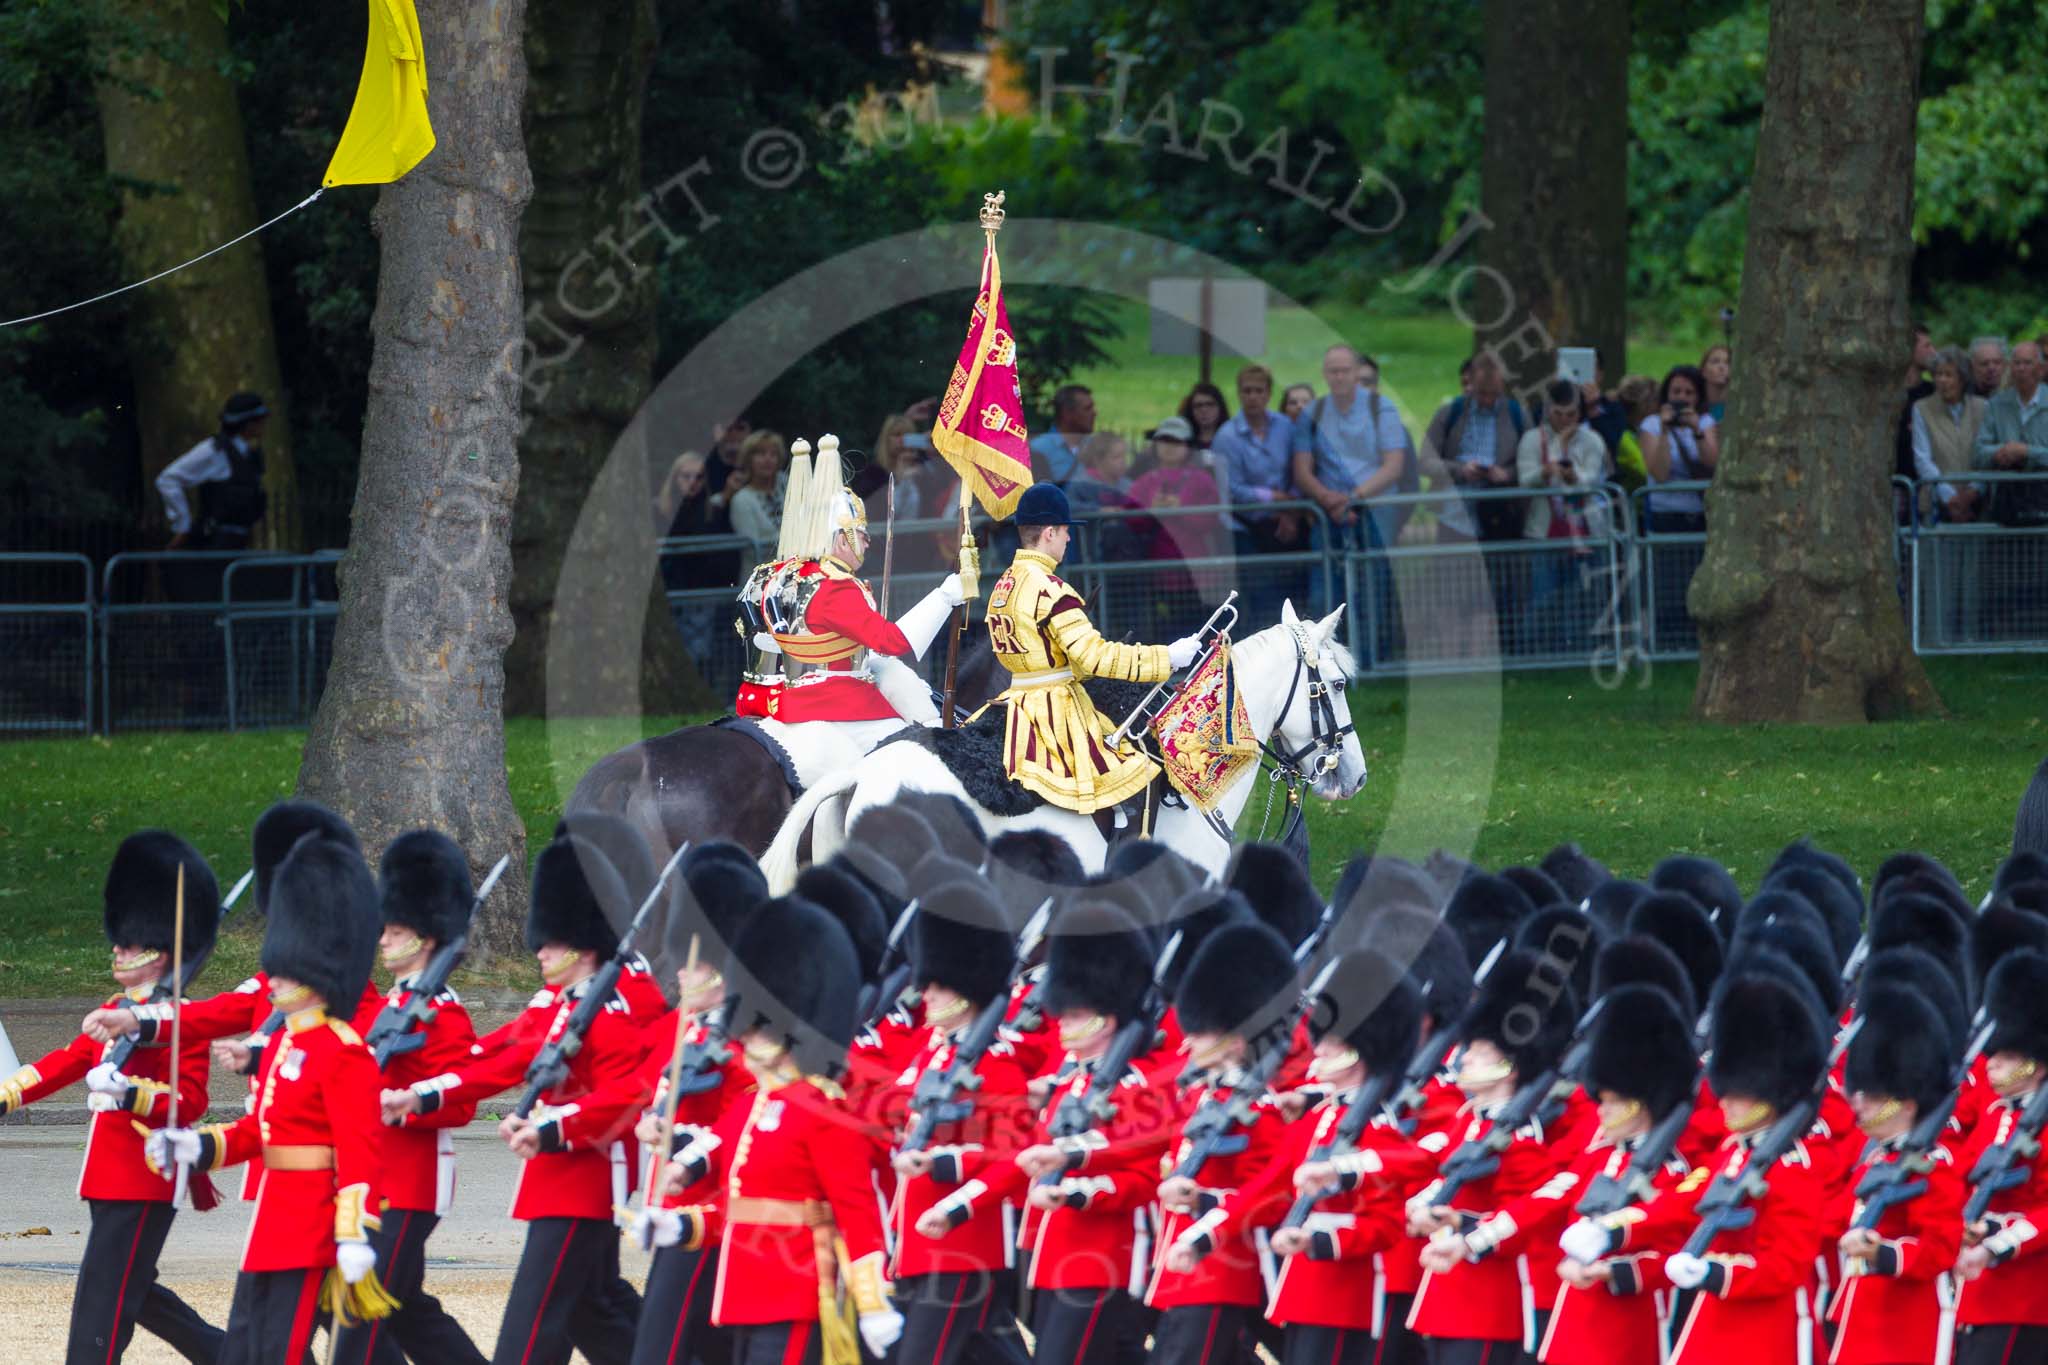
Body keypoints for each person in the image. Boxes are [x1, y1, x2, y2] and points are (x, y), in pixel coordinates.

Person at [386, 831, 651, 1365]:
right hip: (557, 1175)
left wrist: (552, 1126)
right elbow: (505, 1059)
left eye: (550, 942)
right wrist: (423, 1093)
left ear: (583, 944)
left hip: (587, 1178)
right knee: (591, 1310)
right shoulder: (562, 1006)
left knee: (532, 1327)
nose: (539, 951)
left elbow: (626, 1095)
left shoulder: (612, 1010)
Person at [148, 831, 386, 1365]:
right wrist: (198, 1147)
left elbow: (359, 1149)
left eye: (285, 970)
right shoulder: (285, 1045)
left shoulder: (344, 1050)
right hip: (272, 1219)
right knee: (243, 1348)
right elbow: (260, 1129)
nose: (272, 980)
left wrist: (354, 1230)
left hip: (313, 1223)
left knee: (279, 1349)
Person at [0, 831, 225, 1365]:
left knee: (103, 1295)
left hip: (147, 1172)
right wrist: (8, 1094)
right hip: (108, 1174)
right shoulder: (117, 1007)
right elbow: (69, 1059)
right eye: (119, 942)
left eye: (129, 944)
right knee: (133, 1289)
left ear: (159, 953)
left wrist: (131, 1095)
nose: (117, 951)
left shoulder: (180, 1019)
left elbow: (190, 1100)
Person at [336, 831, 489, 1365]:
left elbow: (462, 1101)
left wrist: (402, 1102)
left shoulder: (444, 1012)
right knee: (407, 1313)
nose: (381, 940)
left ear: (424, 938)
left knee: (359, 1315)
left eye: (394, 931)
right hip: (375, 1180)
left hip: (412, 1183)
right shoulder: (390, 1005)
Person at [732, 438, 963, 784]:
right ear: (842, 539)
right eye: (861, 534)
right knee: (915, 752)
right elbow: (893, 642)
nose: (867, 542)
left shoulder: (775, 572)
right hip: (829, 699)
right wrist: (945, 597)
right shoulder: (835, 584)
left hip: (768, 694)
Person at [1013, 903, 1176, 1364]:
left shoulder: (1135, 1086)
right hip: (1054, 1250)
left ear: (1105, 1019)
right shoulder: (1069, 1082)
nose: (1060, 1021)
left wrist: (1078, 1189)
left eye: (1073, 1014)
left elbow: (1142, 1175)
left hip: (1101, 1254)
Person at [983, 483, 1200, 819]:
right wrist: (1167, 657)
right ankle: (1121, 849)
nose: (1069, 539)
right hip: (1054, 711)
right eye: (1066, 531)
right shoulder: (1052, 590)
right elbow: (1095, 656)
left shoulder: (1004, 584)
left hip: (1014, 702)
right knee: (1138, 775)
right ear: (1050, 533)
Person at [1955, 949, 2048, 1365]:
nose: (1991, 1065)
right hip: (1977, 1293)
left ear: (2037, 1065)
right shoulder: (1995, 1115)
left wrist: (1997, 1240)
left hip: (2026, 1298)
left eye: (2007, 1057)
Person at [1516, 379, 1611, 654]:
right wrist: (1546, 472)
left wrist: (1572, 476)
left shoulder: (1592, 440)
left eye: (1571, 414)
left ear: (1580, 412)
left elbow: (1592, 479)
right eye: (1558, 414)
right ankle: (1538, 652)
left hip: (1587, 530)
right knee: (1543, 596)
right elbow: (1525, 480)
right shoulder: (1532, 439)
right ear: (1548, 410)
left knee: (1582, 596)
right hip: (1544, 531)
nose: (1564, 420)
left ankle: (1579, 652)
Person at [1129, 416, 1227, 637]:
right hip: (1156, 574)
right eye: (1165, 440)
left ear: (1188, 446)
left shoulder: (1202, 480)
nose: (1170, 447)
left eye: (1176, 441)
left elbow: (1211, 518)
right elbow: (1131, 521)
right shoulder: (1144, 482)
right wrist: (1151, 511)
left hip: (1196, 573)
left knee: (1198, 629)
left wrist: (1181, 510)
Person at [1212, 364, 1306, 591]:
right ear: (1239, 394)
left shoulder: (1285, 427)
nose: (1253, 397)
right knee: (1263, 592)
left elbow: (1299, 471)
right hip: (1247, 524)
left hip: (1289, 518)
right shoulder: (1227, 437)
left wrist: (1290, 511)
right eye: (1247, 391)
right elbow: (1231, 489)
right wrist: (1274, 497)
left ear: (1269, 394)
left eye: (1259, 391)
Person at [156, 391, 271, 554]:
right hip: (212, 544)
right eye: (260, 420)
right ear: (247, 423)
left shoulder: (250, 455)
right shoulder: (215, 450)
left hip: (239, 546)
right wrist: (183, 525)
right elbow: (168, 479)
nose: (264, 424)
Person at [656, 450, 740, 662]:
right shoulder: (659, 510)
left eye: (699, 477)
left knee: (697, 653)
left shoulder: (712, 511)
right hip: (668, 592)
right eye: (686, 476)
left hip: (700, 594)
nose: (693, 482)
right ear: (675, 478)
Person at [1911, 346, 1989, 524]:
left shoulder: (1982, 407)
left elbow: (1986, 454)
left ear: (1962, 379)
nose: (1942, 380)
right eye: (1938, 374)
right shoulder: (1922, 408)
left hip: (1978, 504)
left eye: (1948, 375)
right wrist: (1950, 497)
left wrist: (1972, 493)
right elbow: (1922, 458)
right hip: (1935, 505)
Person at [1639, 364, 1720, 535]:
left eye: (1689, 393)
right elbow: (1659, 474)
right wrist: (1664, 430)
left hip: (1701, 512)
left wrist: (1697, 430)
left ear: (1698, 397)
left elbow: (1712, 463)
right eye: (1676, 392)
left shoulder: (1706, 422)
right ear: (1666, 394)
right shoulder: (1651, 424)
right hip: (1665, 514)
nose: (1682, 397)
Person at [726, 429, 789, 548]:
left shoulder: (787, 487)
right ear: (748, 459)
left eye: (773, 454)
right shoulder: (742, 500)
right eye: (761, 454)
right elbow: (753, 547)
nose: (768, 459)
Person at [1030, 384, 1097, 486]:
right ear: (1067, 413)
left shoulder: (1096, 445)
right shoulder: (1039, 449)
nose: (1095, 413)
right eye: (1087, 408)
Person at [1179, 381, 1230, 450]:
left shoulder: (1231, 439)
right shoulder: (1183, 441)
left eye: (1210, 404)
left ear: (1220, 408)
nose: (1204, 410)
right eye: (1198, 405)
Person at [1700, 343, 1732, 424]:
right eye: (1715, 362)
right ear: (1703, 370)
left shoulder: (1737, 407)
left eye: (1727, 363)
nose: (1722, 367)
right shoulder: (1695, 404)